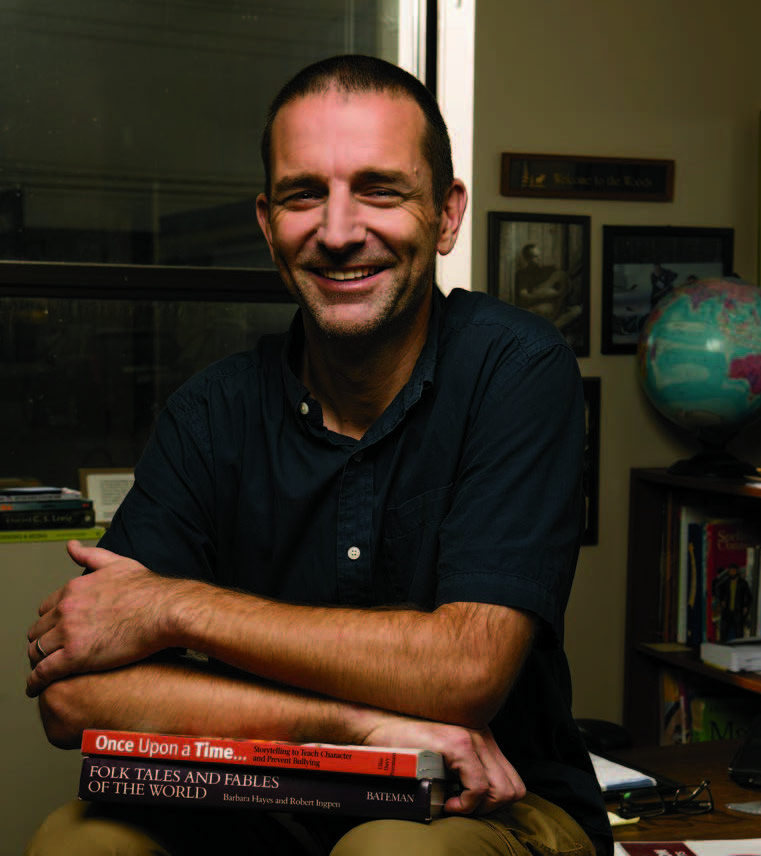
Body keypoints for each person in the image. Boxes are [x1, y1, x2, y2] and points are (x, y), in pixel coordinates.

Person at [25, 55, 612, 856]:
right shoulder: (210, 412)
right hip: (251, 803)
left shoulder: (515, 370)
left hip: (485, 804)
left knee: (389, 852)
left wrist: (171, 606)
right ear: (268, 226)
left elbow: (465, 672)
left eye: (379, 189)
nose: (338, 233)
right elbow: (76, 699)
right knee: (78, 842)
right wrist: (361, 727)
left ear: (445, 215)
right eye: (306, 195)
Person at [514, 243, 582, 331]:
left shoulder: (550, 269)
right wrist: (545, 294)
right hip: (538, 307)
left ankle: (553, 328)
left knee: (578, 310)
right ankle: (552, 329)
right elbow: (524, 296)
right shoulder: (522, 274)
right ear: (527, 259)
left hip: (557, 305)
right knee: (544, 309)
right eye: (535, 257)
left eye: (539, 255)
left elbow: (562, 283)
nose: (539, 259)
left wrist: (559, 293)